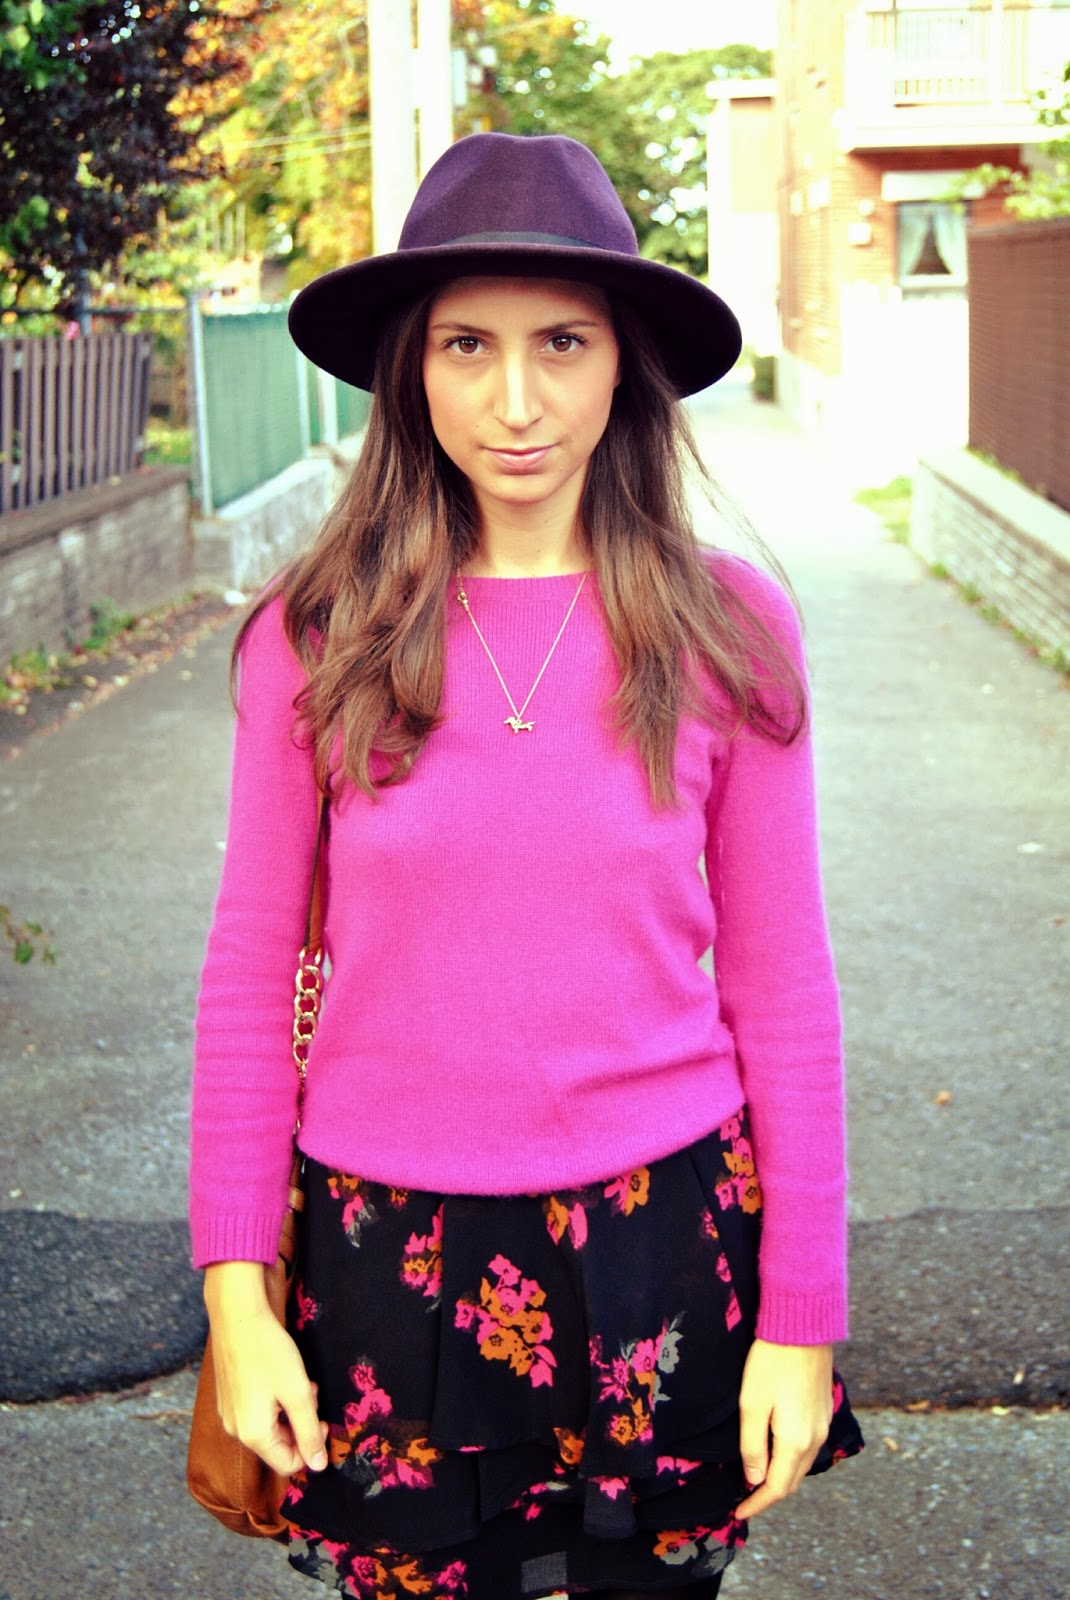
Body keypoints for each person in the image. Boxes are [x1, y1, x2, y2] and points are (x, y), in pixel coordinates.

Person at [190, 132, 863, 1600]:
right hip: (384, 1252)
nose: (513, 399)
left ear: (622, 361)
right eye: (465, 345)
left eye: (561, 342)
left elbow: (781, 987)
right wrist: (238, 1302)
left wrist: (802, 1316)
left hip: (662, 1239)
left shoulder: (727, 632)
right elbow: (248, 975)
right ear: (407, 373)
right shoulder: (309, 639)